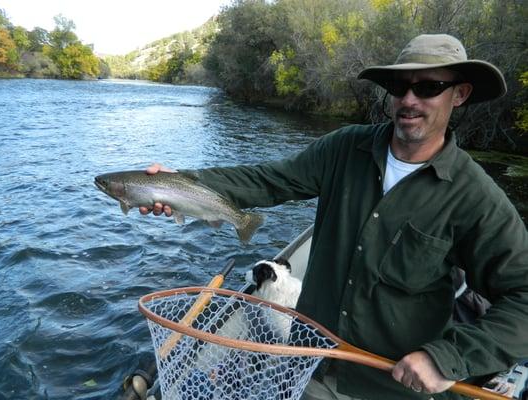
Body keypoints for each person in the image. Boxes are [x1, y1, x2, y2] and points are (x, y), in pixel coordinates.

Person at [140, 34, 528, 400]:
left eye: (427, 88)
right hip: (306, 368)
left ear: (459, 94)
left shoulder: (475, 197)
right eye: (399, 88)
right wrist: (180, 185)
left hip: (389, 387)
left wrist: (448, 358)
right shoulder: (344, 148)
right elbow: (268, 180)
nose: (409, 100)